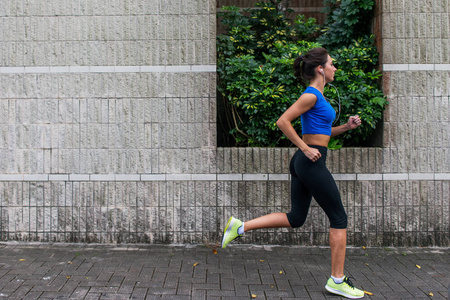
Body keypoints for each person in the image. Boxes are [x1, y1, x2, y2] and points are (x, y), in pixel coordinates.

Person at [221, 47, 365, 299]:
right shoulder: (311, 95)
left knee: (296, 217)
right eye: (331, 64)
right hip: (310, 162)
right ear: (320, 69)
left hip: (305, 161)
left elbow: (323, 133)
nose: (334, 68)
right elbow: (282, 121)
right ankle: (337, 280)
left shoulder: (318, 96)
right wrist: (306, 148)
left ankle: (240, 227)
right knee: (339, 218)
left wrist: (346, 126)